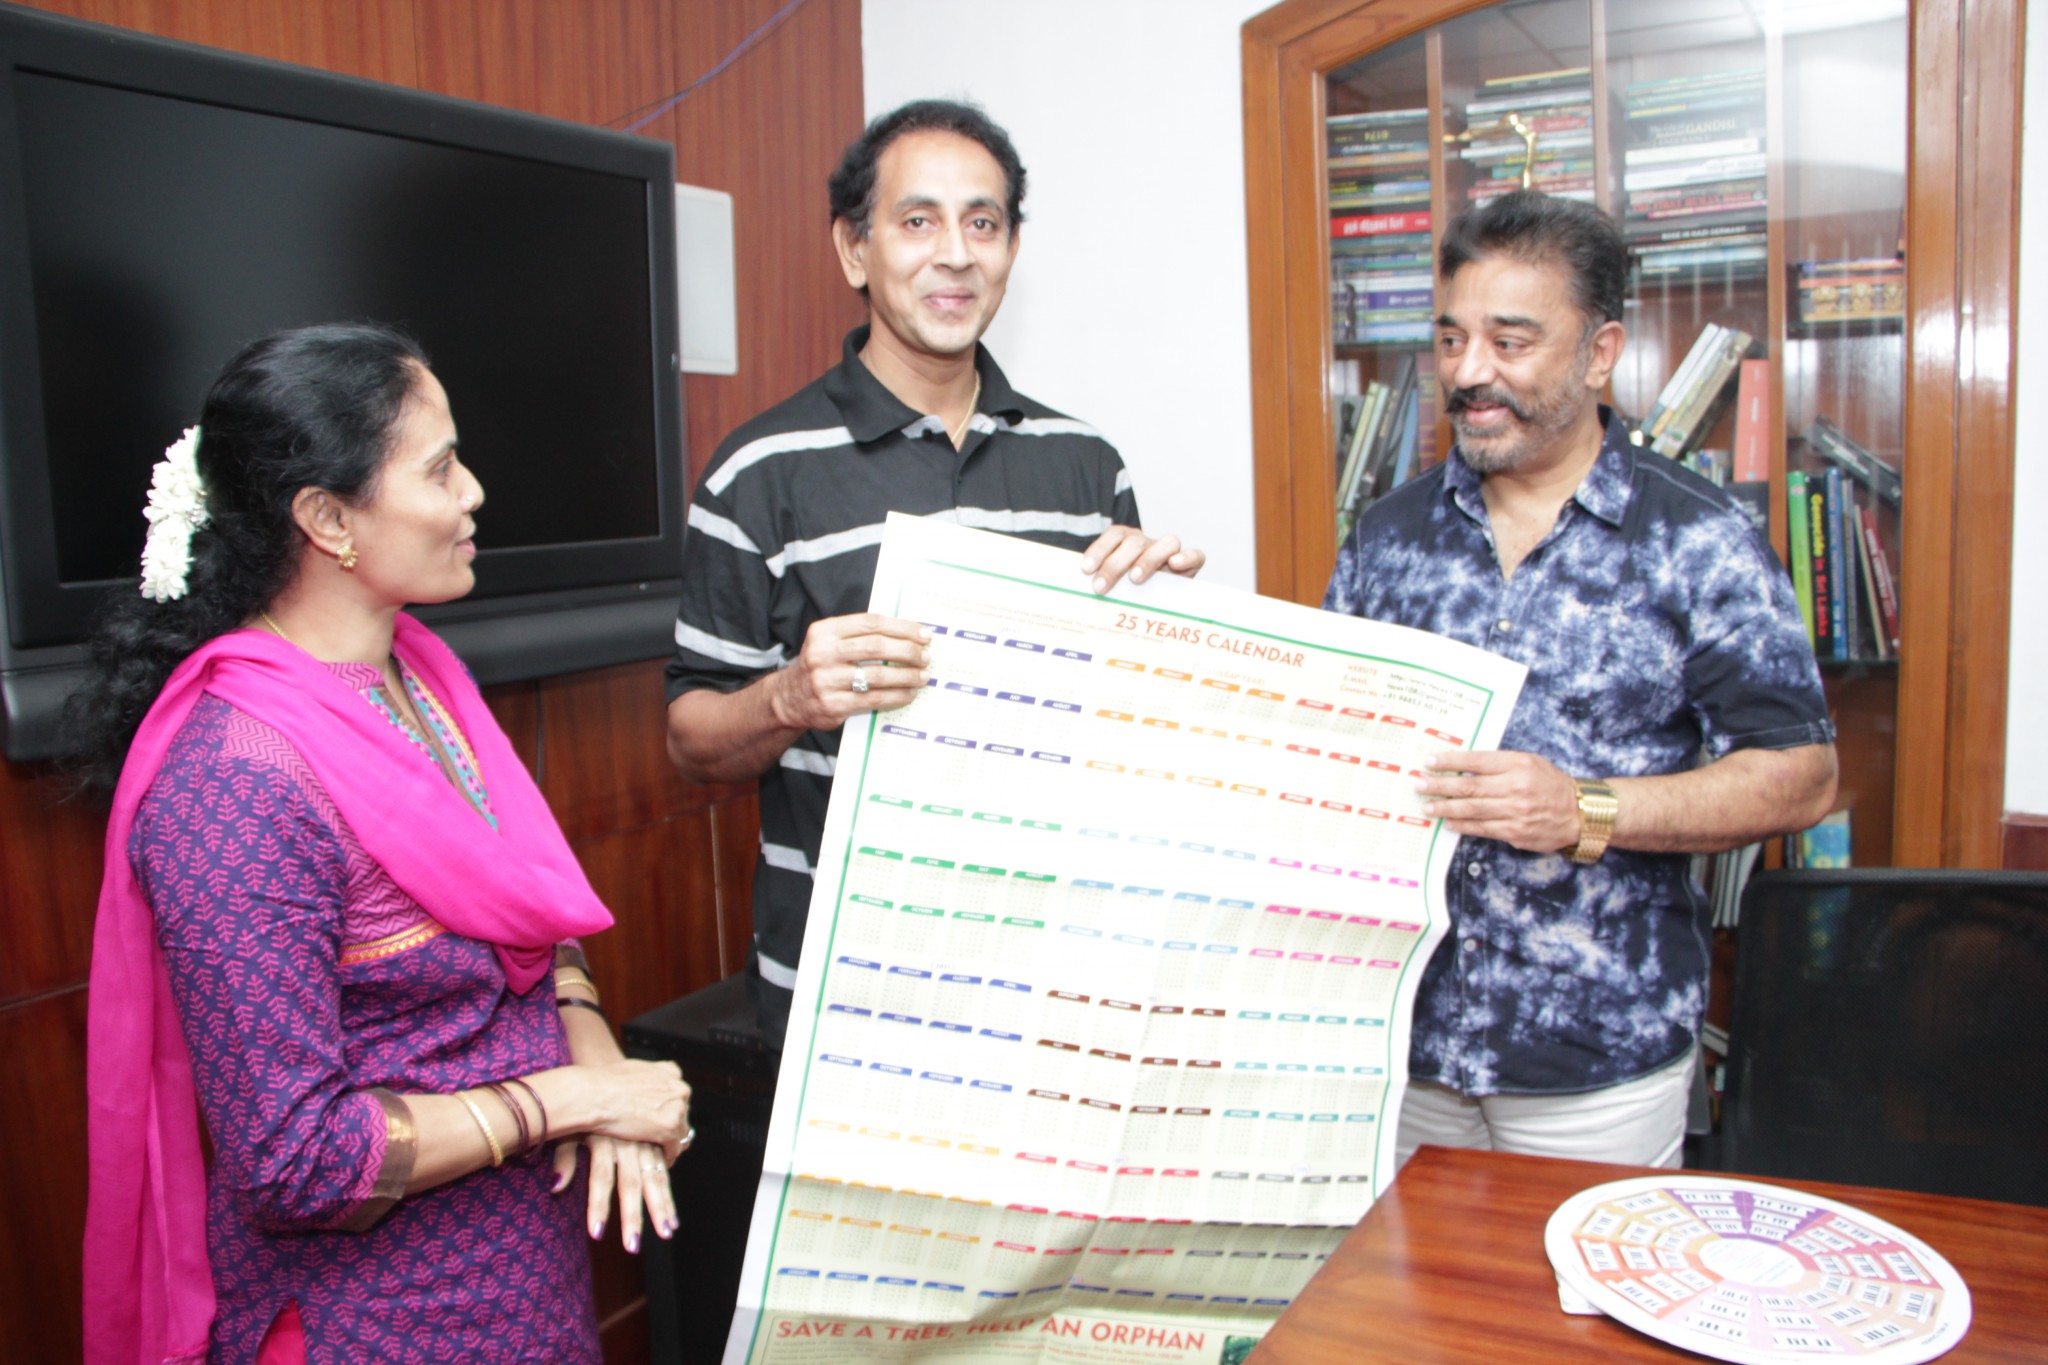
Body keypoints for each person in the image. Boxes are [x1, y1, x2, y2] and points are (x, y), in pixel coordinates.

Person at [73, 324, 695, 1365]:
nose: (474, 492)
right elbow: (295, 1161)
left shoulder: (421, 673)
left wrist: (604, 1073)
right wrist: (572, 1100)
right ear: (325, 518)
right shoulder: (235, 779)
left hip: (523, 1287)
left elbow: (527, 909)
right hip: (374, 1325)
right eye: (440, 468)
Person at [664, 100, 1203, 1047]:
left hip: (1056, 977)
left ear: (1011, 248)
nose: (955, 253)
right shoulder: (759, 470)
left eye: (982, 222)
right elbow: (690, 740)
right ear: (854, 250)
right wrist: (791, 695)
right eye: (918, 221)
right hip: (843, 990)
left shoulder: (1086, 465)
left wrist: (1172, 636)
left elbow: (1131, 737)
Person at [1323, 191, 1838, 1169]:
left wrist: (1582, 809)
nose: (1468, 374)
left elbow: (1798, 774)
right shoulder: (1386, 536)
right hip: (1400, 1049)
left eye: (1509, 342)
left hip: (1595, 1062)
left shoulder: (1700, 540)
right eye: (1449, 340)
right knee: (1402, 1321)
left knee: (1575, 1320)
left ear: (1599, 353)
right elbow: (1332, 745)